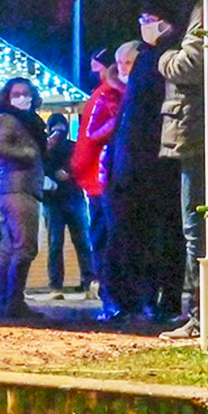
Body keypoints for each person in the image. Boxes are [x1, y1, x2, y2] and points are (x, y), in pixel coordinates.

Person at [100, 21, 184, 321]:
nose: (123, 67)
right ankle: (124, 299)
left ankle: (146, 299)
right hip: (124, 175)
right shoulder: (111, 95)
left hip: (144, 171)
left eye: (129, 62)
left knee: (151, 238)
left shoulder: (150, 76)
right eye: (120, 62)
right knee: (124, 239)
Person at [157, 0, 208, 336]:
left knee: (198, 229)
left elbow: (190, 64)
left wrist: (164, 58)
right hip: (206, 132)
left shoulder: (207, 7)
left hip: (197, 133)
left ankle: (202, 316)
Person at [0, 76, 46, 320]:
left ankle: (7, 302)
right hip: (19, 188)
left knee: (10, 248)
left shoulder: (19, 121)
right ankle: (14, 302)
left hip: (14, 187)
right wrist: (28, 154)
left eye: (26, 93)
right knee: (25, 247)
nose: (23, 98)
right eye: (17, 94)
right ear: (8, 97)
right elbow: (0, 147)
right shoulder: (10, 120)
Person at [70, 48, 125, 262]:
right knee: (107, 232)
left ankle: (105, 281)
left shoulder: (103, 93)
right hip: (102, 173)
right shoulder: (107, 94)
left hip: (98, 174)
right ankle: (108, 282)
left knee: (102, 231)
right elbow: (93, 133)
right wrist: (121, 120)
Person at [41, 111, 95, 299]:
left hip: (68, 197)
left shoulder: (69, 147)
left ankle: (86, 284)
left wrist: (68, 172)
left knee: (79, 242)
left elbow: (81, 164)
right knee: (61, 243)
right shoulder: (46, 149)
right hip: (62, 199)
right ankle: (59, 286)